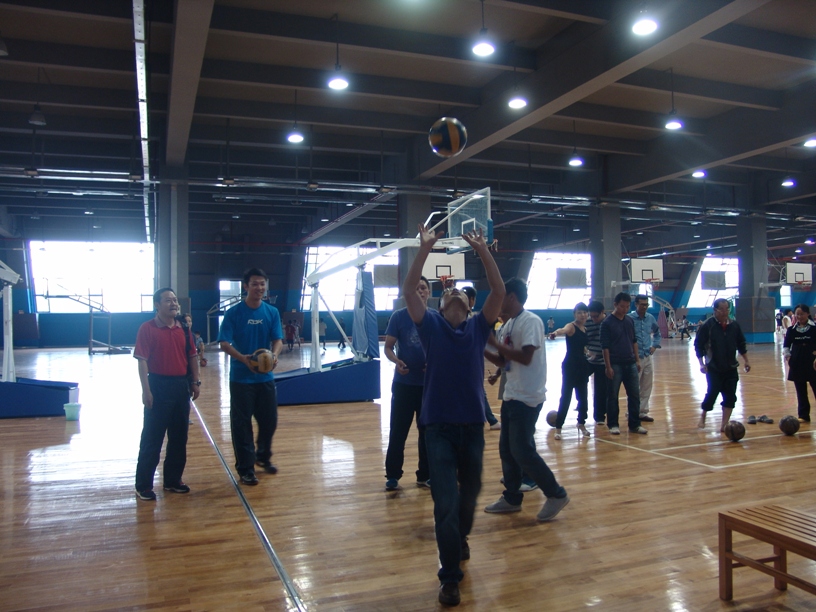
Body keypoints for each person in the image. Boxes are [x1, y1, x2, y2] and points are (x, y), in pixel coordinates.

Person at [403, 225, 503, 607]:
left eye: (460, 292)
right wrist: (424, 249)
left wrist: (483, 252)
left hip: (472, 428)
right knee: (445, 502)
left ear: (469, 305)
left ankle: (460, 536)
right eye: (447, 293)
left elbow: (498, 291)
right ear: (441, 306)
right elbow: (409, 291)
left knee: (469, 496)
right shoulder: (431, 326)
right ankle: (449, 577)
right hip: (438, 430)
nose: (453, 293)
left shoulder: (478, 327)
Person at [483, 278, 570, 519]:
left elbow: (525, 357)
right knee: (507, 449)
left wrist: (492, 342)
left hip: (528, 396)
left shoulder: (531, 321)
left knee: (522, 450)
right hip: (512, 394)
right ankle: (512, 498)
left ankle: (556, 494)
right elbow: (504, 361)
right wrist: (482, 347)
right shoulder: (506, 326)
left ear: (511, 297)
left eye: (501, 296)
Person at [218, 268, 284, 486]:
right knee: (242, 425)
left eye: (262, 284)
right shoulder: (233, 313)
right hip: (241, 379)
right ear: (245, 286)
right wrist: (243, 359)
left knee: (269, 421)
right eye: (255, 284)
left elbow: (278, 340)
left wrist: (274, 356)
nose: (259, 288)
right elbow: (224, 343)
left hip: (265, 378)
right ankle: (246, 469)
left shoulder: (271, 312)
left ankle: (262, 456)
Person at [133, 288, 200, 501]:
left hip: (180, 386)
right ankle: (143, 485)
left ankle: (172, 480)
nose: (173, 304)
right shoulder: (147, 328)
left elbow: (192, 356)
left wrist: (195, 381)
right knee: (152, 438)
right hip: (158, 385)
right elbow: (142, 361)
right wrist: (146, 390)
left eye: (175, 300)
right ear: (157, 305)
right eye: (168, 300)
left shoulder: (184, 329)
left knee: (179, 437)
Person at [383, 276, 431, 491]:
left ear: (428, 292)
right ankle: (393, 475)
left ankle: (425, 475)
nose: (420, 291)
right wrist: (396, 361)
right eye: (416, 288)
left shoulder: (435, 318)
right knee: (398, 431)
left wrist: (434, 363)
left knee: (427, 433)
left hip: (427, 387)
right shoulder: (399, 317)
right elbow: (388, 347)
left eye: (423, 288)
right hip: (403, 385)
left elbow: (443, 348)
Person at [694, 298, 750, 432]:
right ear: (715, 310)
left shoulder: (734, 325)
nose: (725, 312)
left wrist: (746, 360)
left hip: (731, 367)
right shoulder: (708, 326)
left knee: (730, 396)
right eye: (722, 309)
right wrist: (701, 364)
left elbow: (741, 344)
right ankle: (703, 415)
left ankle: (724, 425)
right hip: (714, 367)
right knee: (712, 393)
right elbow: (698, 345)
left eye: (727, 309)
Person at [600, 292, 647, 435]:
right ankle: (613, 424)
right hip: (615, 364)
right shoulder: (607, 323)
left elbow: (634, 342)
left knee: (634, 395)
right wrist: (608, 366)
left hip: (630, 363)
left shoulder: (629, 321)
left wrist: (637, 360)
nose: (625, 309)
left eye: (627, 307)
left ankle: (635, 424)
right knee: (613, 395)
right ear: (615, 305)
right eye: (622, 306)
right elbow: (605, 347)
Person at [550, 302, 591, 439]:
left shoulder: (585, 329)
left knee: (583, 398)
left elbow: (582, 347)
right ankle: (558, 428)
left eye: (584, 312)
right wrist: (555, 333)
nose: (582, 315)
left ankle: (581, 423)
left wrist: (589, 353)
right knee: (566, 397)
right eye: (579, 312)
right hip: (570, 366)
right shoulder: (571, 326)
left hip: (582, 366)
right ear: (575, 314)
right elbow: (563, 330)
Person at [464, 285, 500, 431]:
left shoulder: (473, 319)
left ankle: (490, 420)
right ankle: (490, 420)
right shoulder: (467, 319)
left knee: (478, 391)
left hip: (471, 364)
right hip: (466, 364)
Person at [628, 295, 661, 423]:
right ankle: (632, 412)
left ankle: (642, 411)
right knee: (634, 387)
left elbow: (657, 332)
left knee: (647, 385)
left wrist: (655, 345)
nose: (645, 307)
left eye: (646, 304)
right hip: (634, 357)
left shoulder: (650, 318)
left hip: (647, 356)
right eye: (642, 304)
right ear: (636, 304)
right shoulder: (629, 318)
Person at [783, 304, 816, 423]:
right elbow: (786, 346)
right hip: (797, 362)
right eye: (797, 314)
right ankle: (803, 415)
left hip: (813, 362)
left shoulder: (814, 328)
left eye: (802, 314)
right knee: (800, 390)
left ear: (808, 314)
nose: (799, 316)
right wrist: (788, 358)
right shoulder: (791, 330)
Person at [585, 300, 609, 426]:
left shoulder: (609, 322)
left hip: (603, 361)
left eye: (596, 316)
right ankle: (581, 408)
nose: (593, 319)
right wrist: (587, 351)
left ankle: (599, 416)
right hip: (589, 360)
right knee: (578, 380)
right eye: (592, 316)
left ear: (602, 312)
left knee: (600, 389)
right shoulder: (587, 322)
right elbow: (582, 340)